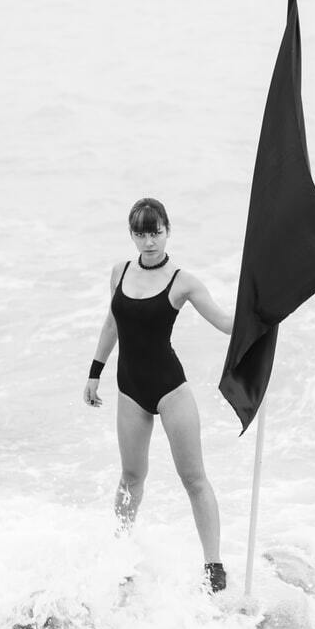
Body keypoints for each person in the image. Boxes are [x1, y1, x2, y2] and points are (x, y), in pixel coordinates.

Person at [84, 198, 233, 592]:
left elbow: (224, 323)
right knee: (131, 477)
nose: (149, 242)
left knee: (193, 478)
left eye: (156, 232)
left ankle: (214, 566)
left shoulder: (183, 282)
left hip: (170, 389)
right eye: (141, 234)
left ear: (168, 231)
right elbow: (112, 324)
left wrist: (264, 317)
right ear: (132, 235)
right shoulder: (119, 272)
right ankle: (120, 555)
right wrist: (95, 373)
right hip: (130, 388)